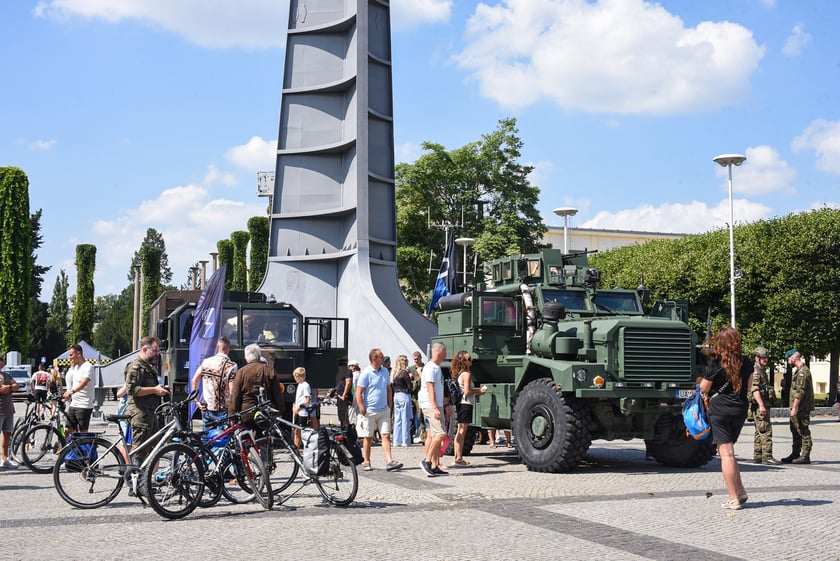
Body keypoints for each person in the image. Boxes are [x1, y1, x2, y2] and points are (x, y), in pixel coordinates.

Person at [699, 327, 753, 510]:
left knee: (726, 454)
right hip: (739, 409)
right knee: (731, 453)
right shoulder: (747, 362)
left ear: (721, 342)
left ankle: (733, 499)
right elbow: (749, 387)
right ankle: (741, 491)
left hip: (720, 410)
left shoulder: (716, 363)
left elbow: (704, 389)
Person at [355, 348, 403, 471]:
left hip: (383, 410)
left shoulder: (385, 371)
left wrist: (389, 405)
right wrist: (362, 408)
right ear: (374, 358)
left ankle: (389, 461)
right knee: (368, 437)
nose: (383, 358)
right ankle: (367, 461)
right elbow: (359, 392)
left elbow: (388, 389)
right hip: (369, 409)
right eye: (381, 356)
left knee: (386, 435)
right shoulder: (366, 373)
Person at [125, 336, 169, 464]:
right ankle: (134, 481)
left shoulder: (149, 367)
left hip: (151, 413)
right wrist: (155, 390)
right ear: (145, 349)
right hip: (140, 415)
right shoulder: (136, 367)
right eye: (155, 351)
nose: (157, 354)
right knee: (139, 451)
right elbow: (132, 390)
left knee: (154, 449)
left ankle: (147, 479)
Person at [229, 344, 285, 426]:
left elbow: (235, 396)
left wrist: (232, 415)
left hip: (246, 414)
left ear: (245, 357)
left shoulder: (241, 372)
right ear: (259, 356)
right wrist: (280, 411)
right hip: (266, 414)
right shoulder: (269, 371)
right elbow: (277, 394)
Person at [192, 336, 238, 432]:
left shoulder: (206, 362)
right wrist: (233, 410)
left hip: (206, 407)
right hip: (223, 410)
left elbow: (194, 380)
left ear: (218, 347)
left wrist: (197, 402)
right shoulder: (231, 366)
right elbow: (232, 390)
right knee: (222, 440)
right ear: (228, 349)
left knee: (206, 439)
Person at [451, 350, 487, 466]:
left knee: (460, 431)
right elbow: (467, 391)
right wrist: (479, 392)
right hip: (466, 404)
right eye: (469, 359)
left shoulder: (460, 373)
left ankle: (457, 457)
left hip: (461, 403)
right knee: (462, 431)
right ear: (464, 361)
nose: (472, 360)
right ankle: (459, 458)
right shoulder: (467, 374)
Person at [419, 342, 448, 477]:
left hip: (437, 405)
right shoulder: (431, 367)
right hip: (431, 405)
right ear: (440, 352)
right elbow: (430, 388)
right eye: (445, 351)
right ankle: (427, 461)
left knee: (436, 434)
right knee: (440, 434)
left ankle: (435, 464)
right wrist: (435, 407)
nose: (446, 354)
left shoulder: (436, 367)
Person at [782, 349, 814, 464]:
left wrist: (794, 407)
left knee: (803, 430)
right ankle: (795, 453)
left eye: (788, 359)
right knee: (794, 430)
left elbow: (800, 392)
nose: (788, 361)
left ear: (793, 358)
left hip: (802, 408)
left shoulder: (802, 372)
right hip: (797, 408)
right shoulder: (798, 371)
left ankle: (805, 455)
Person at [749, 346, 780, 465]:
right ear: (756, 358)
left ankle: (758, 455)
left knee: (759, 431)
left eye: (766, 357)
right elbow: (755, 390)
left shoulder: (760, 370)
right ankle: (767, 456)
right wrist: (761, 405)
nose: (765, 360)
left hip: (761, 405)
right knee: (766, 430)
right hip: (759, 406)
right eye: (763, 358)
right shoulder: (756, 372)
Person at [62, 343, 96, 434]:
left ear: (79, 354)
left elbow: (83, 383)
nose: (69, 357)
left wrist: (71, 392)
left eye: (71, 355)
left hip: (84, 405)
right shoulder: (76, 367)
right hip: (74, 404)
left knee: (82, 432)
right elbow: (71, 381)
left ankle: (84, 448)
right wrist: (66, 397)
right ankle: (67, 447)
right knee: (67, 430)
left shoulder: (88, 366)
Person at [0, 353, 20, 469]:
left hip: (8, 410)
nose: (2, 362)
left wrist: (9, 387)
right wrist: (8, 388)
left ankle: (5, 458)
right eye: (1, 359)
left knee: (7, 434)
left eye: (2, 360)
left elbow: (17, 386)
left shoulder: (6, 375)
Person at [292, 367, 319, 449]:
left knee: (301, 432)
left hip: (302, 412)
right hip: (298, 411)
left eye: (295, 377)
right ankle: (295, 448)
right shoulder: (300, 385)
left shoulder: (305, 385)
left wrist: (299, 408)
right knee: (296, 431)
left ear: (298, 376)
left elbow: (307, 400)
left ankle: (303, 449)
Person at [391, 355, 413, 447]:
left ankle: (396, 440)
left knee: (398, 419)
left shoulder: (394, 373)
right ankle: (405, 440)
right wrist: (411, 379)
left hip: (396, 395)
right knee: (405, 418)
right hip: (404, 395)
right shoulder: (404, 373)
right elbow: (410, 387)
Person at [334, 357, 353, 429]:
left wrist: (344, 395)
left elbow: (348, 383)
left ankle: (345, 430)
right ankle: (346, 429)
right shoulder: (342, 372)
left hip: (343, 396)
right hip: (340, 395)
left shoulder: (347, 371)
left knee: (343, 416)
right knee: (343, 416)